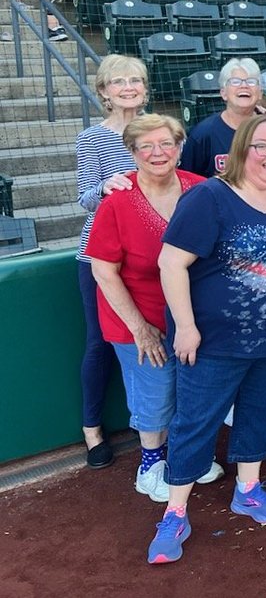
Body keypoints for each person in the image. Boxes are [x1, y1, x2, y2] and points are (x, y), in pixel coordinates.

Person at [149, 116, 266, 564]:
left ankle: (248, 489)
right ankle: (175, 512)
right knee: (195, 424)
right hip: (214, 342)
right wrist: (185, 326)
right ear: (241, 150)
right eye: (262, 146)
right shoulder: (210, 196)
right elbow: (171, 263)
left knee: (257, 415)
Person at [87, 113, 225, 504]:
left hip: (191, 315)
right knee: (156, 394)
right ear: (131, 152)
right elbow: (103, 271)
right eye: (145, 146)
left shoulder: (203, 189)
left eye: (166, 143)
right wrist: (140, 329)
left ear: (180, 147)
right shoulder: (117, 201)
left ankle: (184, 458)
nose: (157, 152)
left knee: (193, 392)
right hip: (138, 316)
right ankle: (150, 467)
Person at [74, 55, 148, 469]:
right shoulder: (92, 138)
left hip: (150, 252)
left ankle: (148, 421)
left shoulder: (159, 130)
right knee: (100, 342)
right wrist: (105, 186)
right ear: (104, 91)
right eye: (119, 82)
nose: (128, 87)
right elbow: (84, 198)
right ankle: (92, 430)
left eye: (135, 80)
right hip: (100, 255)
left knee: (151, 336)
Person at [181, 59, 264, 177]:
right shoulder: (203, 134)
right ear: (223, 93)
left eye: (251, 81)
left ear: (260, 93)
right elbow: (187, 178)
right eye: (235, 82)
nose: (244, 86)